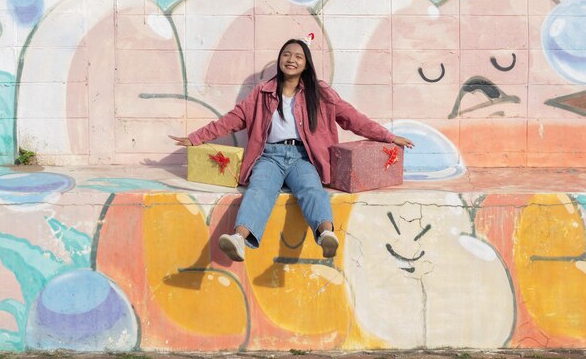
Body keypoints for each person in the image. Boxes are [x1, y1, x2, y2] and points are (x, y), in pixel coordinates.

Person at [169, 37, 414, 262]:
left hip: (303, 158)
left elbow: (354, 119)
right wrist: (196, 138)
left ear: (306, 64)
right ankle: (239, 239)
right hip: (269, 157)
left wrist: (389, 137)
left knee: (311, 188)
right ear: (280, 60)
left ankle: (326, 234)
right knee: (259, 190)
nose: (291, 59)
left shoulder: (320, 94)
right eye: (286, 54)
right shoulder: (262, 93)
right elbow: (232, 119)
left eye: (298, 56)